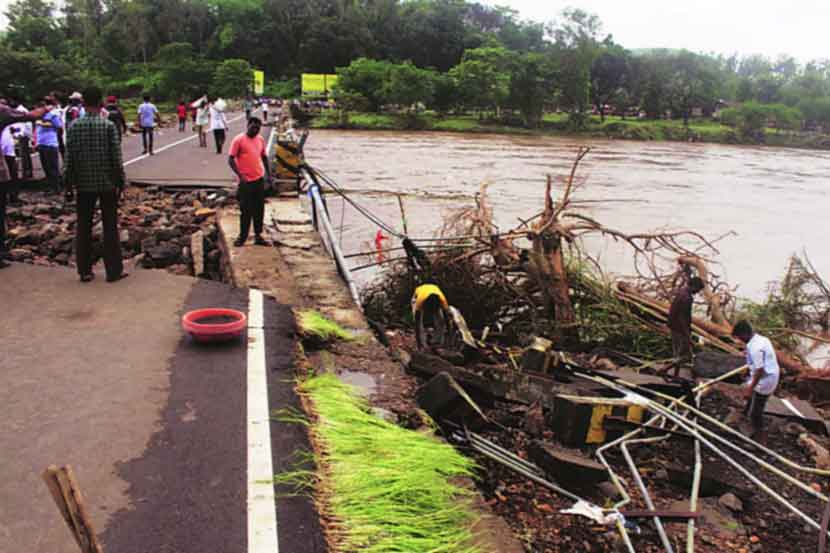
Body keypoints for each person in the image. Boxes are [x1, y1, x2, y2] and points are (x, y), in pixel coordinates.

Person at [63, 86, 128, 283]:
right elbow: (116, 159)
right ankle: (113, 271)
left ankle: (85, 270)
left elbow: (69, 159)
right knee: (110, 226)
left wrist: (68, 185)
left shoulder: (74, 126)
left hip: (83, 184)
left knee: (83, 226)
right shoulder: (107, 126)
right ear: (100, 103)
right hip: (106, 183)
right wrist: (121, 182)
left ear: (83, 103)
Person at [732, 320, 780, 439]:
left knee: (756, 412)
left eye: (738, 338)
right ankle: (744, 414)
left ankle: (759, 438)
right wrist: (749, 370)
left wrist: (750, 388)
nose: (738, 341)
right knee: (752, 398)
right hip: (772, 373)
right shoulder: (761, 339)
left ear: (744, 335)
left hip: (766, 380)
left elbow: (760, 370)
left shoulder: (755, 348)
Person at [228, 117, 271, 247]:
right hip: (246, 182)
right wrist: (240, 175)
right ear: (248, 126)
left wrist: (268, 175)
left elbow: (263, 157)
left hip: (258, 179)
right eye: (253, 127)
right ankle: (242, 237)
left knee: (259, 210)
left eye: (258, 128)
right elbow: (230, 159)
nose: (255, 130)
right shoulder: (239, 140)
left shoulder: (260, 140)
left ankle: (258, 236)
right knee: (246, 210)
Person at [666, 276, 705, 376]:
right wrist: (687, 334)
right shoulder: (687, 298)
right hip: (679, 329)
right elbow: (682, 318)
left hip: (674, 327)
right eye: (698, 289)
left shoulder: (681, 293)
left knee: (678, 353)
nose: (697, 292)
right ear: (694, 286)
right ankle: (664, 369)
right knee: (685, 356)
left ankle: (675, 375)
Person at [35, 98, 64, 197]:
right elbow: (37, 129)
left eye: (47, 104)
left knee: (53, 168)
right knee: (46, 167)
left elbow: (59, 127)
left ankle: (56, 188)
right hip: (41, 144)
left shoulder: (53, 115)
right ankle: (50, 187)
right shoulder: (38, 116)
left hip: (50, 144)